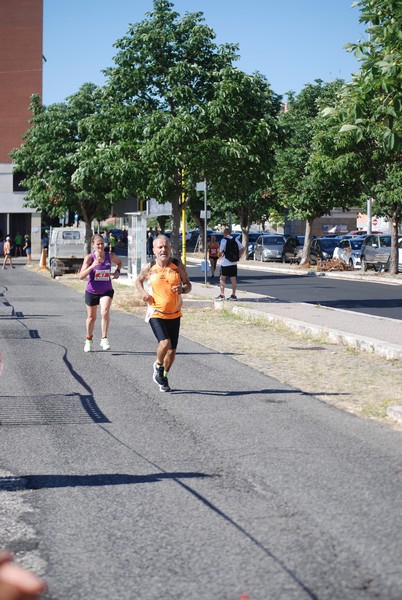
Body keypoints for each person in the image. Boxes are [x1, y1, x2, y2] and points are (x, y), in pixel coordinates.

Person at [135, 235, 192, 392]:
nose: (163, 250)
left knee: (172, 351)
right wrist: (143, 294)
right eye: (160, 247)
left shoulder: (177, 265)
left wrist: (183, 289)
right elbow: (138, 281)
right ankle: (158, 365)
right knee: (165, 343)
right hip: (156, 312)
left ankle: (163, 376)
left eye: (166, 246)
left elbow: (188, 285)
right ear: (154, 250)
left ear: (170, 248)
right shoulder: (149, 267)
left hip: (174, 313)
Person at [79, 234, 122, 353]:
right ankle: (88, 339)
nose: (100, 246)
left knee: (105, 312)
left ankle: (104, 338)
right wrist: (92, 266)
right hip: (92, 290)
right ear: (93, 245)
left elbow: (119, 263)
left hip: (106, 290)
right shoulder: (89, 258)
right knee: (91, 317)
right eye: (98, 244)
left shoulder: (110, 256)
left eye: (102, 243)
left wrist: (117, 271)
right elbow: (81, 276)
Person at [216, 228, 245, 301]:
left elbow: (221, 251)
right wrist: (239, 256)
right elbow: (243, 248)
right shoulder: (235, 239)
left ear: (225, 233)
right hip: (233, 263)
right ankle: (233, 295)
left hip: (225, 263)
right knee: (233, 279)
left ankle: (222, 295)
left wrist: (218, 254)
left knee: (222, 279)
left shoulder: (224, 240)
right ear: (230, 233)